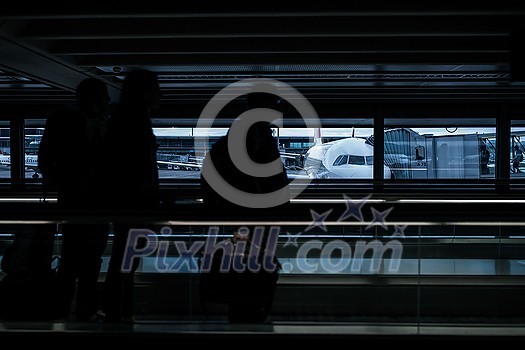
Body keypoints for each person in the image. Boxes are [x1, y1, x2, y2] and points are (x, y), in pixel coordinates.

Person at [199, 92, 290, 323]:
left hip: (246, 218)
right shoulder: (256, 134)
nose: (279, 109)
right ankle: (249, 319)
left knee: (246, 274)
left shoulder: (244, 132)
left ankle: (244, 318)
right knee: (253, 274)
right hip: (255, 219)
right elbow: (252, 178)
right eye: (275, 104)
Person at [38, 77, 112, 321]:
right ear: (96, 99)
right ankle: (84, 311)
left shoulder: (61, 120)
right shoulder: (106, 125)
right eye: (104, 97)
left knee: (71, 258)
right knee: (89, 261)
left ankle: (61, 312)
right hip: (97, 202)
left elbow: (46, 159)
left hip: (73, 200)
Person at [99, 68, 161, 323]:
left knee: (124, 260)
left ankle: (118, 313)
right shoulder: (136, 121)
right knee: (126, 260)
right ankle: (119, 313)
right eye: (157, 89)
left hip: (126, 202)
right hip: (134, 204)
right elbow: (137, 167)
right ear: (145, 92)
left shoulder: (122, 119)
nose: (161, 95)